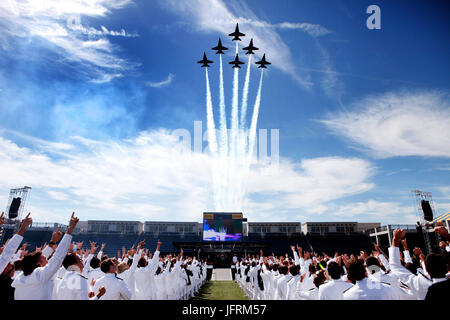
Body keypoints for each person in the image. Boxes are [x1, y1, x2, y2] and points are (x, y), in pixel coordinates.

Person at [12, 212, 79, 300]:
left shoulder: (21, 278)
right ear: (38, 265)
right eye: (45, 260)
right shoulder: (39, 276)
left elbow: (41, 257)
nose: (48, 260)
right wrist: (69, 230)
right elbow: (58, 257)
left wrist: (52, 242)